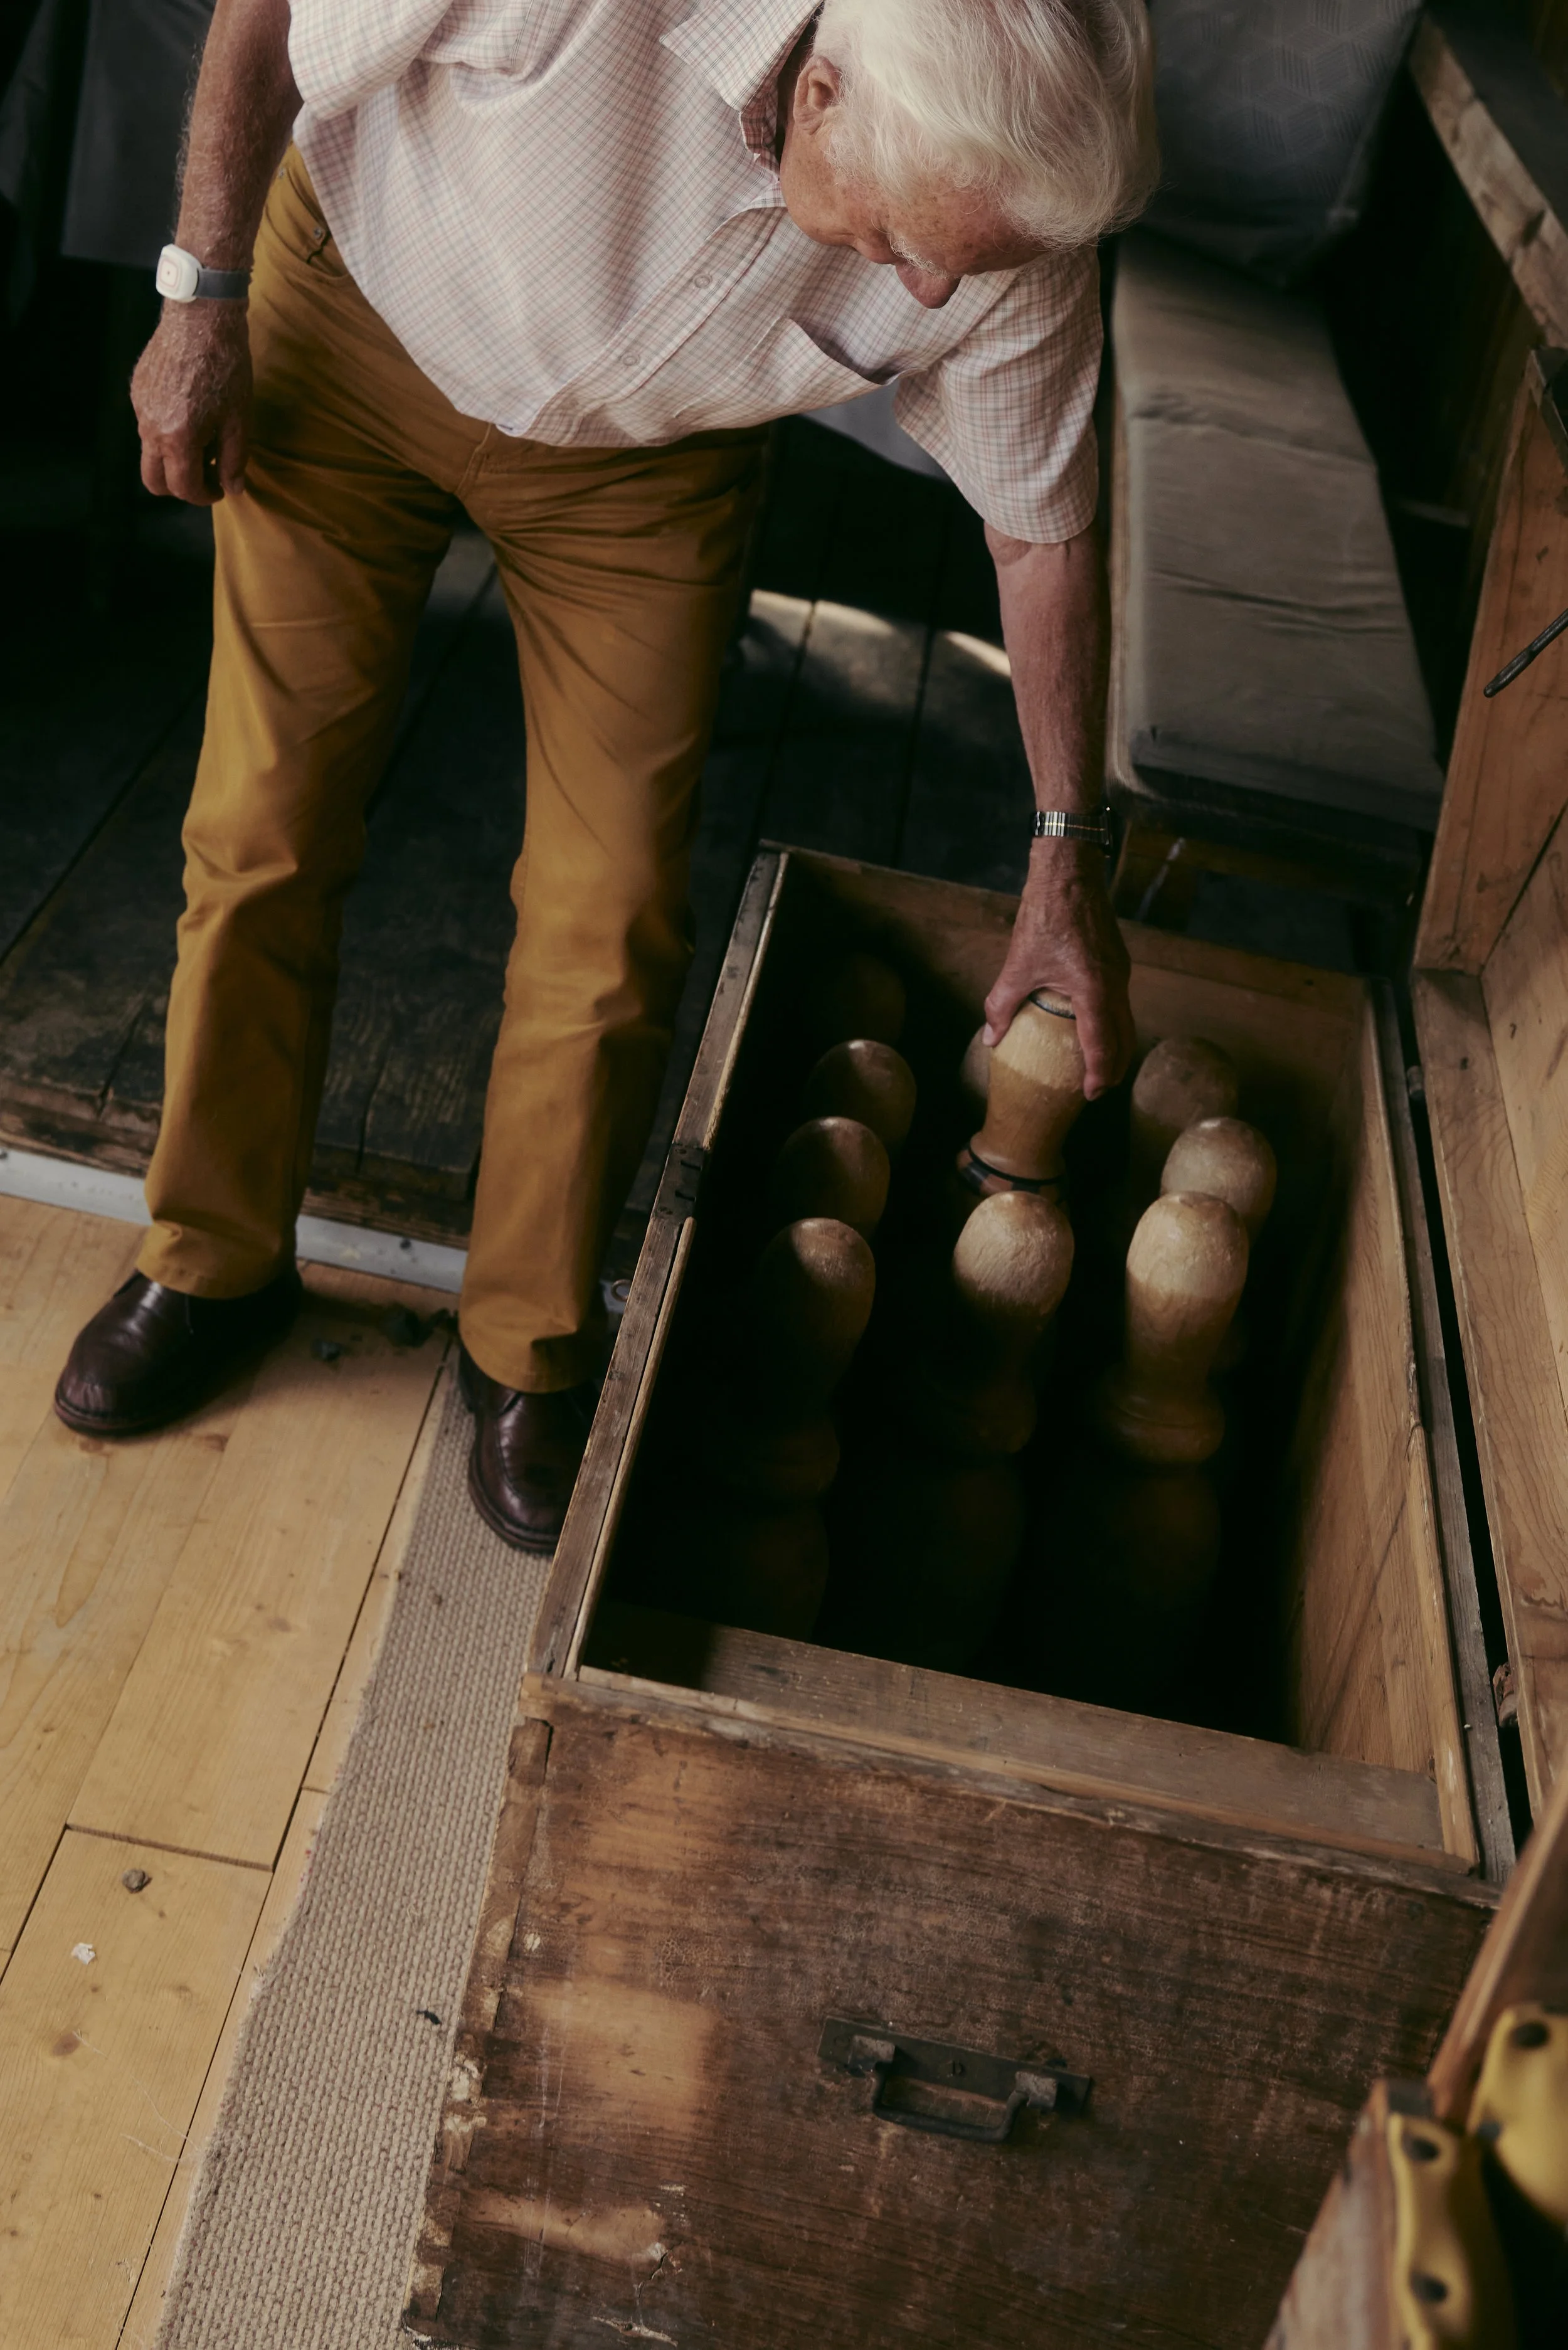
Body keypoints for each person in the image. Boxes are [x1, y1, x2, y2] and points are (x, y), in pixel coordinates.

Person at [53, 0, 1157, 1551]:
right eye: (909, 244)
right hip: (355, 318)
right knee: (261, 829)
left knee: (616, 908)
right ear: (820, 90)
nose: (925, 292)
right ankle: (209, 1257)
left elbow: (1038, 525)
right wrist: (200, 291)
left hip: (647, 465)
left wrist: (1066, 861)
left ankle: (529, 1351)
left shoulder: (1001, 219)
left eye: (955, 268)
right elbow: (270, 16)